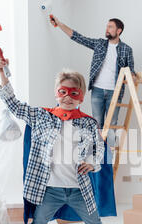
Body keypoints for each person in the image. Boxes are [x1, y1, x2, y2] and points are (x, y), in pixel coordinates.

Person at [0, 57, 141, 224]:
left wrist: (92, 163)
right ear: (56, 93)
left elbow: (99, 151)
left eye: (74, 92)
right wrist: (2, 73)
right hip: (49, 190)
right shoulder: (42, 116)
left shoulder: (89, 124)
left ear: (81, 96)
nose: (68, 96)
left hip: (78, 191)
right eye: (63, 91)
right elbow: (13, 104)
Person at [51, 16, 137, 148]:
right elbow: (78, 37)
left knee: (112, 123)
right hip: (97, 90)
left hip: (115, 91)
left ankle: (109, 156)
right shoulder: (100, 44)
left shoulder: (127, 49)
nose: (107, 29)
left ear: (119, 31)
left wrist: (133, 76)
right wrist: (60, 24)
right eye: (107, 26)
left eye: (110, 27)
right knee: (97, 123)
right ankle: (97, 154)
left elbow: (130, 70)